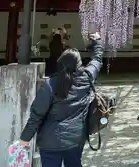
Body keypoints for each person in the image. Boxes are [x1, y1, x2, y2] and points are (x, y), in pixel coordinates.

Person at [19, 32, 104, 167]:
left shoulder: (50, 85)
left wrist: (25, 138)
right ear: (79, 64)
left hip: (50, 141)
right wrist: (98, 42)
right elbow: (97, 60)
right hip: (76, 138)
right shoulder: (87, 78)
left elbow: (36, 114)